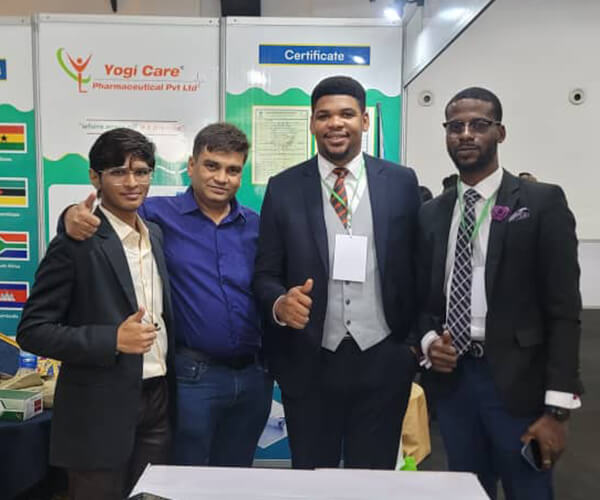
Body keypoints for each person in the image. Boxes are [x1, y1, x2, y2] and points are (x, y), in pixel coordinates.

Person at [63, 123, 273, 467]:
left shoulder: (256, 225)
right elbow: (102, 218)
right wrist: (70, 216)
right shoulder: (155, 215)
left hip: (253, 377)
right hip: (193, 377)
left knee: (236, 477)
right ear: (191, 165)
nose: (222, 178)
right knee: (183, 477)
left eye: (233, 170)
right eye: (212, 166)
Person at [417, 87, 583, 500]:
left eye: (479, 124)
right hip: (455, 384)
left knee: (529, 490)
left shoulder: (542, 203)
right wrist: (429, 341)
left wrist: (557, 410)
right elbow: (421, 301)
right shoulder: (432, 213)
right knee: (466, 491)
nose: (466, 134)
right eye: (455, 126)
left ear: (500, 132)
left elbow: (564, 311)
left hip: (520, 385)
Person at [253, 76, 421, 469]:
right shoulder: (283, 187)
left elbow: (418, 265)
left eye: (346, 114)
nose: (335, 123)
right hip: (310, 361)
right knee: (313, 477)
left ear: (365, 120)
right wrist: (279, 303)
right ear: (312, 123)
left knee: (373, 477)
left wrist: (411, 344)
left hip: (383, 358)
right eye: (324, 115)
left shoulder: (401, 182)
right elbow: (265, 273)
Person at [17, 128, 175, 500]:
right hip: (97, 409)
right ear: (95, 177)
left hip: (157, 399)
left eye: (141, 172)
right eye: (118, 172)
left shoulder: (154, 234)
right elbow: (33, 330)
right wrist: (112, 339)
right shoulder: (76, 242)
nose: (132, 183)